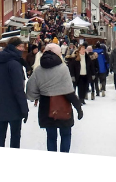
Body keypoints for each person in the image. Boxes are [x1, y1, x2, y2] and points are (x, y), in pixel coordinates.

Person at [25, 43, 83, 171]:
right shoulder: (63, 68)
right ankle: (64, 164)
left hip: (46, 107)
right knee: (65, 135)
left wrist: (40, 95)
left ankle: (52, 166)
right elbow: (69, 91)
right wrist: (78, 107)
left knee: (51, 137)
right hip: (63, 107)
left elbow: (30, 90)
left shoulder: (38, 70)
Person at [0, 37, 30, 171]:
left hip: (0, 104)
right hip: (14, 106)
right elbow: (18, 88)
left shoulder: (0, 62)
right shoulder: (14, 64)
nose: (23, 49)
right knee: (15, 137)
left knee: (0, 136)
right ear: (14, 47)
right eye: (20, 47)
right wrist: (24, 108)